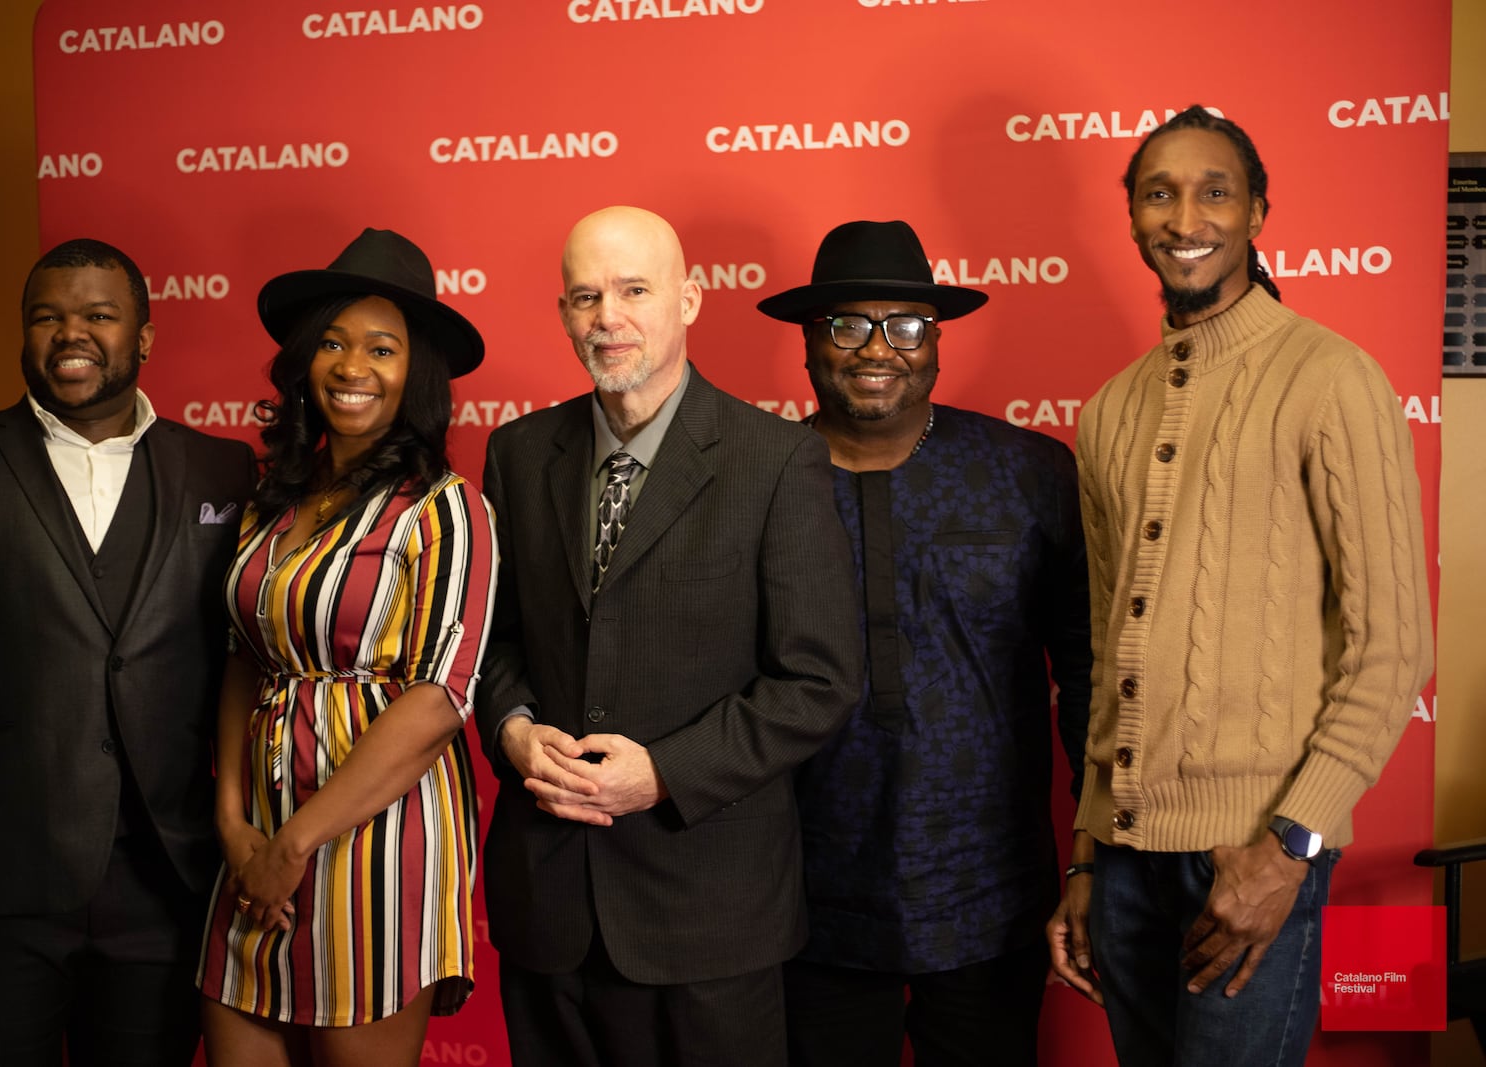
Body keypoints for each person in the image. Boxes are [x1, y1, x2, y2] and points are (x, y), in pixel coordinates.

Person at [1047, 106, 1434, 1066]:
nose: (1187, 217)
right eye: (1159, 194)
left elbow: (1391, 647)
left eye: (1215, 190)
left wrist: (1288, 851)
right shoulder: (1108, 412)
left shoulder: (1331, 377)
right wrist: (1088, 854)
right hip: (1125, 863)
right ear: (1133, 218)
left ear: (1259, 209)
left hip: (1255, 853)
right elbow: (1106, 653)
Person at [475, 205, 862, 1067]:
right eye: (585, 295)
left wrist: (663, 774)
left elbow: (820, 680)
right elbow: (491, 641)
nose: (606, 316)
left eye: (633, 289)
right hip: (550, 905)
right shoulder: (517, 451)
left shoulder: (776, 461)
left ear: (689, 299)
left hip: (709, 913)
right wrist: (511, 728)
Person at [0, 238, 254, 1065]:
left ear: (146, 336)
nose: (70, 334)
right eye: (46, 317)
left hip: (166, 885)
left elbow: (245, 662)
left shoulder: (224, 469)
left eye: (97, 315)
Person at [755, 219, 1092, 1067]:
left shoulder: (1029, 473)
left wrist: (1098, 859)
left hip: (990, 889)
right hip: (804, 896)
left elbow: (1091, 678)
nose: (878, 349)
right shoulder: (756, 483)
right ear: (808, 343)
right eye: (848, 325)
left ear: (936, 341)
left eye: (905, 325)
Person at [196, 229, 498, 1066]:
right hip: (255, 830)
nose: (351, 366)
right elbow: (244, 657)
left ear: (417, 373)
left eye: (381, 348)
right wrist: (233, 824)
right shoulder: (271, 503)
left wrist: (296, 845)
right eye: (332, 342)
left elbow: (440, 700)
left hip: (374, 838)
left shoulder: (446, 509)